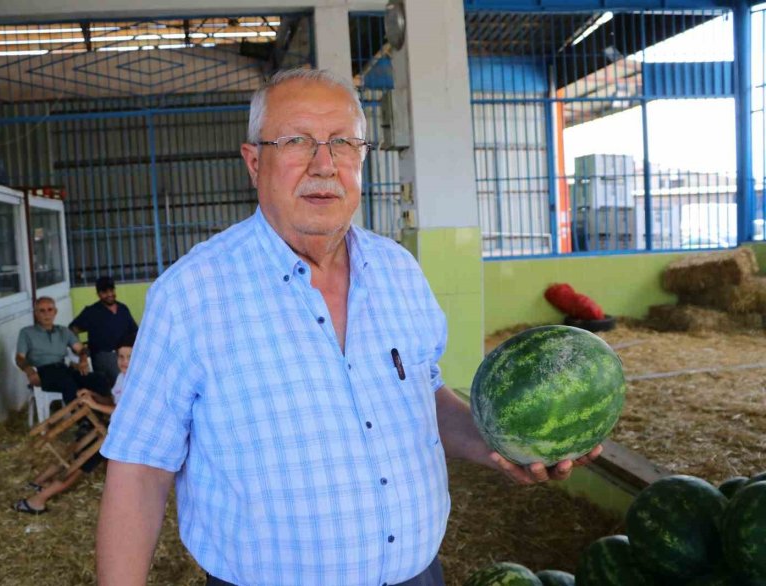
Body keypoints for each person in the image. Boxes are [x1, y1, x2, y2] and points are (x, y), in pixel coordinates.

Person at [97, 68, 602, 586]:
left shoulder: (399, 272)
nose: (324, 164)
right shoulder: (190, 296)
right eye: (297, 141)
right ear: (254, 162)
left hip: (418, 576)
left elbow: (424, 399)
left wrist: (506, 447)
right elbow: (140, 469)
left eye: (343, 142)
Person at [13, 334, 134, 515]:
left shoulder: (138, 382)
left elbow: (126, 412)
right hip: (110, 427)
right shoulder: (122, 377)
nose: (124, 362)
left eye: (130, 357)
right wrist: (94, 396)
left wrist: (95, 405)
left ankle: (38, 500)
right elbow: (112, 401)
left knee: (83, 462)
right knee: (77, 449)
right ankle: (38, 483)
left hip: (124, 433)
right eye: (121, 356)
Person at [16, 296, 110, 407]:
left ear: (55, 312)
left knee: (99, 379)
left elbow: (81, 349)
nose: (46, 314)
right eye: (42, 311)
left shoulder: (63, 331)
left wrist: (83, 359)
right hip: (43, 372)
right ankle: (83, 420)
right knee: (68, 383)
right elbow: (19, 358)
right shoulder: (26, 332)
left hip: (64, 369)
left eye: (50, 310)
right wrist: (30, 371)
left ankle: (104, 413)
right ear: (36, 314)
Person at [70, 276, 138, 387]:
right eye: (104, 292)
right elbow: (72, 330)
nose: (109, 294)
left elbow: (134, 332)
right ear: (98, 294)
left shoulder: (123, 309)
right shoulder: (92, 311)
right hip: (104, 355)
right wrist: (81, 349)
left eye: (111, 290)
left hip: (125, 353)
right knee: (122, 377)